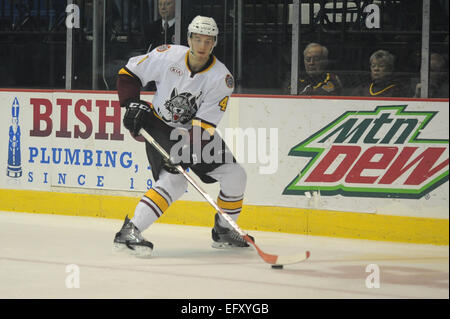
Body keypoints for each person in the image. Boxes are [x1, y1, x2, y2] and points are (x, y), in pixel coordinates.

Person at [113, 16, 254, 256]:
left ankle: (223, 231)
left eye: (208, 41)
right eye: (197, 39)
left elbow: (204, 125)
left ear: (214, 43)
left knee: (235, 175)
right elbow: (128, 73)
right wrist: (131, 104)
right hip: (160, 126)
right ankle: (130, 230)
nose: (202, 46)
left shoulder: (221, 78)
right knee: (175, 180)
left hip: (194, 132)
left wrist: (188, 150)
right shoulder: (166, 55)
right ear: (189, 39)